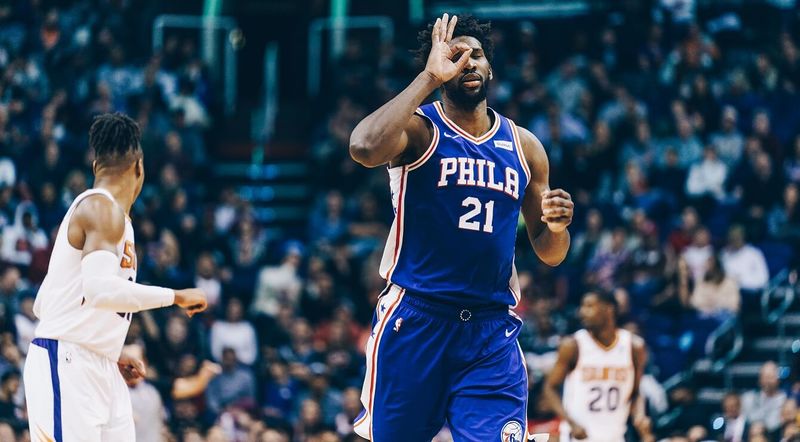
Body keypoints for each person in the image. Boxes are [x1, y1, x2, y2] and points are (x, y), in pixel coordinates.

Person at [348, 14, 574, 441]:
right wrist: (427, 79)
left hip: (490, 331)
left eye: (477, 55)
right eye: (455, 56)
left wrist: (558, 227)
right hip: (418, 319)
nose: (468, 62)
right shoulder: (420, 130)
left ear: (491, 68)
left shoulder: (525, 146)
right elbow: (363, 147)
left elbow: (549, 252)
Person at [23, 113, 208, 442]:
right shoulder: (101, 208)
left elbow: (50, 300)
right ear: (139, 167)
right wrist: (176, 296)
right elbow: (99, 291)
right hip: (67, 362)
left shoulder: (116, 219)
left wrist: (107, 348)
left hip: (100, 363)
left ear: (96, 166)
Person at [543, 291, 651, 442]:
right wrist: (571, 422)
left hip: (615, 436)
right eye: (582, 306)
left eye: (589, 306)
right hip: (578, 437)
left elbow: (636, 392)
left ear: (608, 309)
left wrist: (640, 415)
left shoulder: (634, 347)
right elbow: (549, 388)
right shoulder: (573, 345)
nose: (582, 312)